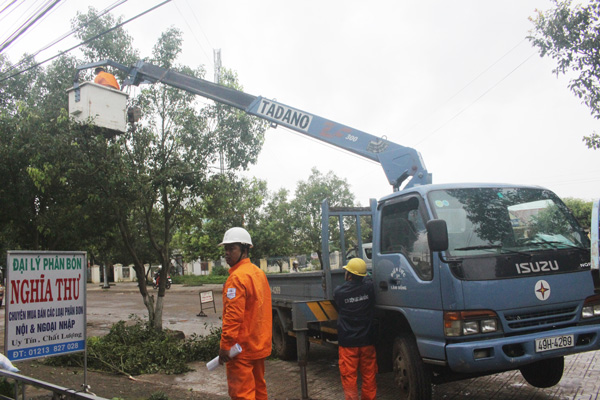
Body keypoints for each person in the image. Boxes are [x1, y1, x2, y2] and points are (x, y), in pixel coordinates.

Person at [218, 227, 272, 400]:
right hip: (258, 346)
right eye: (226, 248)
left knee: (242, 394)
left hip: (240, 350)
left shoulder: (237, 278)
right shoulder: (258, 273)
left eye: (231, 248)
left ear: (245, 249)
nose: (227, 253)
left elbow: (233, 317)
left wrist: (225, 346)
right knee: (259, 390)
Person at [333, 258, 377, 400]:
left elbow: (338, 305)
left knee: (349, 377)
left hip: (348, 343)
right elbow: (369, 281)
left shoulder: (339, 292)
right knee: (369, 376)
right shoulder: (369, 289)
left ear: (349, 275)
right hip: (367, 341)